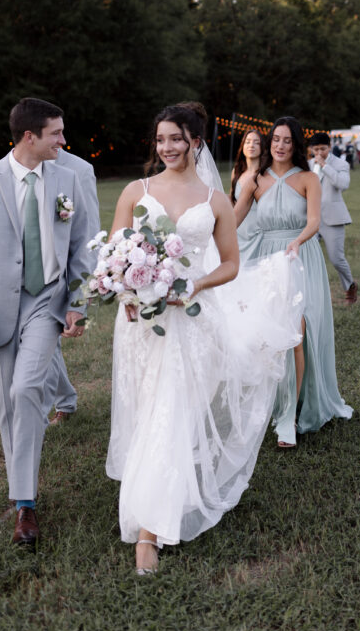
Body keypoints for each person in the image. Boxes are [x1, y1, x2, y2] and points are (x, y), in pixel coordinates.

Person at [105, 103, 302, 576]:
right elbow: (113, 251)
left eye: (176, 138)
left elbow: (230, 263)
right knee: (149, 408)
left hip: (193, 319)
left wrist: (193, 285)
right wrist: (127, 286)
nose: (167, 147)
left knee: (172, 410)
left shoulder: (215, 200)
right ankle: (156, 501)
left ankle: (148, 533)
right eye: (160, 139)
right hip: (142, 321)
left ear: (196, 141)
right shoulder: (136, 191)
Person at [0, 98, 91, 547]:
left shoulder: (68, 178)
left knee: (26, 388)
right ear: (29, 137)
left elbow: (82, 247)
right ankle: (25, 502)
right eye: (56, 133)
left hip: (46, 301)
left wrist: (78, 302)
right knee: (6, 404)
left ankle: (25, 505)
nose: (63, 140)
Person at [235, 117, 353, 449]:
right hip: (267, 258)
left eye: (288, 140)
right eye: (276, 139)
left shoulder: (307, 178)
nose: (280, 145)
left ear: (296, 144)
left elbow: (314, 221)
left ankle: (291, 416)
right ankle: (274, 403)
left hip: (299, 257)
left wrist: (298, 241)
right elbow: (234, 217)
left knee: (296, 331)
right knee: (270, 334)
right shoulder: (257, 180)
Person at [43, 146, 101, 425]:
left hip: (65, 272)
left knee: (47, 339)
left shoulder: (80, 169)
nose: (62, 140)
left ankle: (62, 402)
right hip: (27, 273)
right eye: (55, 133)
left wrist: (84, 290)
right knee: (41, 341)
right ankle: (64, 397)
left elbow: (90, 232)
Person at [308, 131, 358, 304]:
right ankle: (312, 292)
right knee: (308, 257)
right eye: (316, 149)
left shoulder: (340, 164)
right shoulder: (307, 164)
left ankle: (350, 285)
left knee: (336, 259)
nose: (319, 153)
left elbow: (343, 184)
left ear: (329, 147)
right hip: (310, 218)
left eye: (323, 149)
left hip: (333, 217)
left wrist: (324, 166)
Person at [229, 128, 265, 261]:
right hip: (239, 231)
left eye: (256, 142)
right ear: (243, 146)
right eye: (248, 142)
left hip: (259, 233)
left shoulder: (265, 174)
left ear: (262, 147)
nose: (251, 145)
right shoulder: (237, 172)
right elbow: (233, 202)